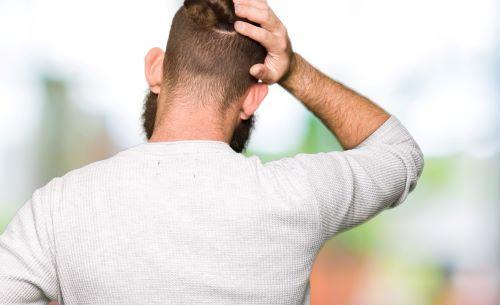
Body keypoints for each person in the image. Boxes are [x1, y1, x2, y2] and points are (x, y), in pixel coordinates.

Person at [0, 0, 424, 304]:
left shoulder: (59, 207)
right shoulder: (294, 196)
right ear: (254, 98)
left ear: (155, 67)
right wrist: (294, 69)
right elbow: (399, 154)